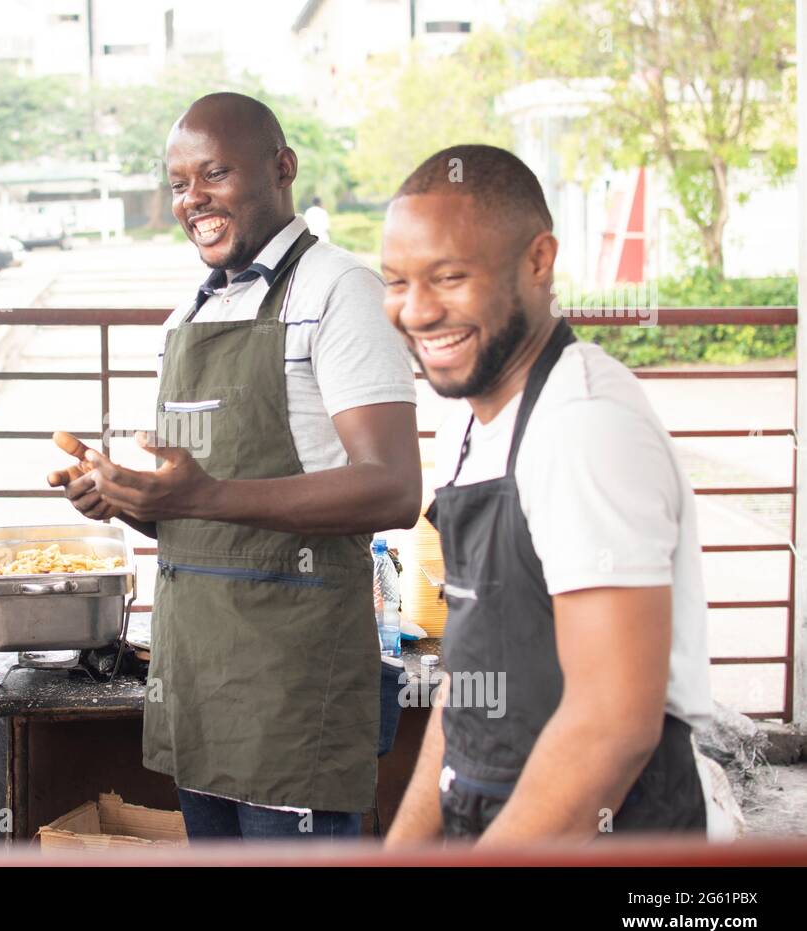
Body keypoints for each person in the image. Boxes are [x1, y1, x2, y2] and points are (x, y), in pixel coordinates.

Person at [48, 92, 421, 840]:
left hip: (292, 679)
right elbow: (196, 509)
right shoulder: (188, 316)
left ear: (282, 168)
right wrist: (123, 498)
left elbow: (394, 487)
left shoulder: (338, 292)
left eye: (214, 174)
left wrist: (206, 492)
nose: (194, 200)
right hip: (198, 677)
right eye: (180, 183)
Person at [380, 144, 712, 845]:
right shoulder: (466, 419)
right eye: (396, 281)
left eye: (448, 277)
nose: (416, 311)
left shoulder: (583, 426)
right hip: (489, 809)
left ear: (538, 261)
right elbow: (469, 673)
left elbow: (611, 728)